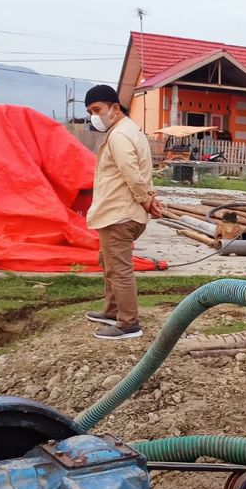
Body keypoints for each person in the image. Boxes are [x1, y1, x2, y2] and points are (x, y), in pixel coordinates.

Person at [83, 84, 164, 340]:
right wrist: (148, 200)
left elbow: (132, 173)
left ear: (115, 108)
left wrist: (144, 200)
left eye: (97, 110)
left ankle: (128, 324)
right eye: (90, 112)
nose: (94, 117)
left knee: (119, 269)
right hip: (118, 212)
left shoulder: (119, 136)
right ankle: (112, 311)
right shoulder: (129, 131)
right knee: (109, 264)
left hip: (120, 214)